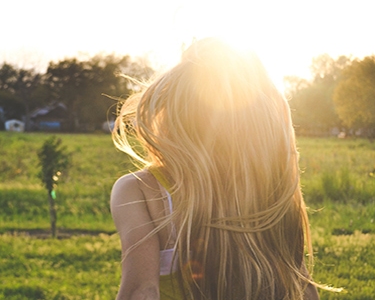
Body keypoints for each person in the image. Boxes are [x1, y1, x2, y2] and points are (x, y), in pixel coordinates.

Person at [111, 37, 322, 300]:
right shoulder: (272, 192)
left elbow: (141, 291)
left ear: (176, 106)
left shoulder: (139, 190)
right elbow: (302, 285)